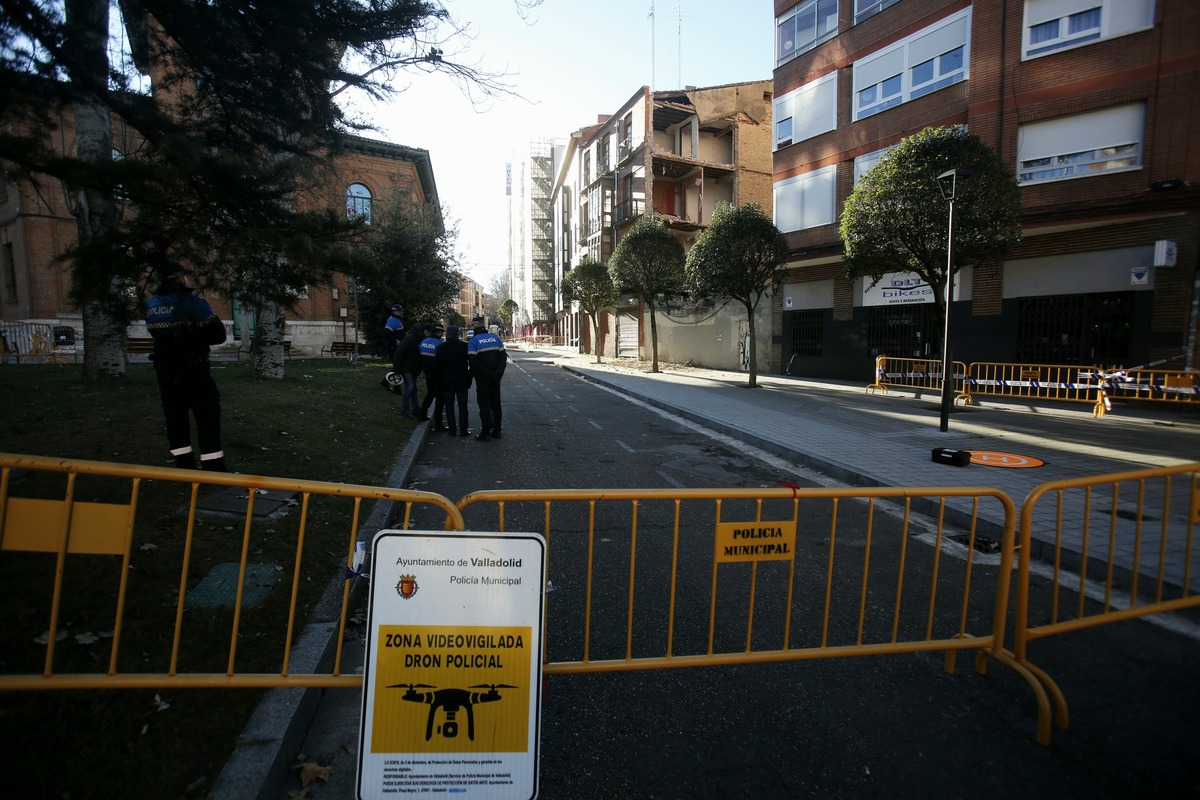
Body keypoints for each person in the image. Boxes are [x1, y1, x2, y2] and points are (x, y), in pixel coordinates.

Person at [145, 261, 228, 471]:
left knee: (175, 416)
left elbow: (157, 335)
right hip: (194, 367)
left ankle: (183, 462)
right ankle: (213, 464)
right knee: (207, 415)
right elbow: (218, 334)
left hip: (165, 369)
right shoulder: (191, 303)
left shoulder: (152, 305)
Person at [466, 316, 507, 441]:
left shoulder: (473, 341)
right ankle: (497, 430)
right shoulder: (495, 338)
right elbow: (503, 357)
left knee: (484, 405)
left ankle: (485, 432)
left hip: (482, 378)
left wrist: (487, 373)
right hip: (496, 378)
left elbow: (473, 361)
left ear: (474, 327)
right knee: (496, 403)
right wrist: (498, 373)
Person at [436, 324, 472, 436]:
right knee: (463, 407)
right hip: (462, 380)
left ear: (447, 334)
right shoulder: (464, 346)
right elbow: (471, 363)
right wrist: (469, 377)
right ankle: (464, 430)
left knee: (449, 407)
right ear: (458, 334)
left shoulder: (441, 348)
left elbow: (438, 366)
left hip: (447, 380)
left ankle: (452, 430)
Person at [393, 322, 426, 419]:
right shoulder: (411, 339)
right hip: (407, 368)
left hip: (411, 368)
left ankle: (414, 409)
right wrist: (397, 370)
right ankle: (406, 410)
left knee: (412, 388)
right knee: (410, 387)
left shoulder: (413, 338)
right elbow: (399, 354)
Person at [419, 323, 447, 431]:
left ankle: (423, 413)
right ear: (439, 332)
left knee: (430, 393)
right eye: (441, 332)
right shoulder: (440, 345)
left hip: (427, 373)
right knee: (440, 398)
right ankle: (438, 424)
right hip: (438, 375)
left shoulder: (423, 343)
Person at [380, 304, 405, 389]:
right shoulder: (393, 320)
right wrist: (395, 341)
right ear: (394, 311)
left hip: (395, 347)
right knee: (398, 369)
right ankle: (396, 388)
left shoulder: (395, 319)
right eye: (399, 311)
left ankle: (386, 382)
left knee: (397, 368)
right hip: (394, 348)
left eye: (401, 311)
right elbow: (386, 333)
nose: (401, 312)